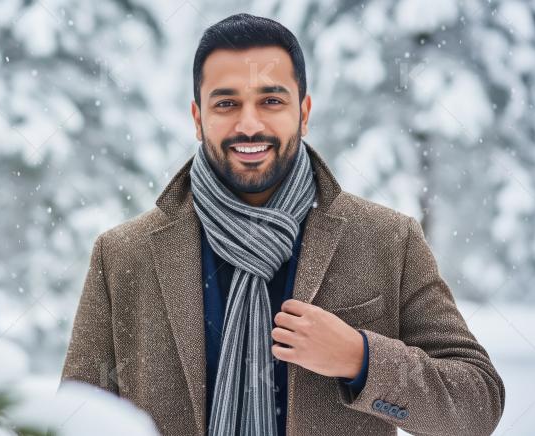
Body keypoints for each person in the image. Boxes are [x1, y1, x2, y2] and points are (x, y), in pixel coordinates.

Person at [61, 13, 504, 436]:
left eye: (271, 100)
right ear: (198, 119)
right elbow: (76, 417)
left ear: (304, 112)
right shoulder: (124, 254)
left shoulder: (387, 239)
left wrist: (361, 359)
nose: (249, 124)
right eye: (227, 103)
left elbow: (478, 404)